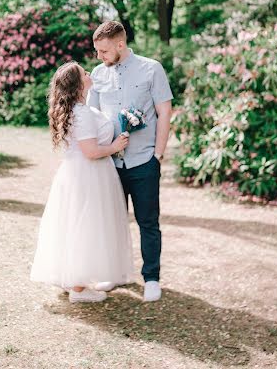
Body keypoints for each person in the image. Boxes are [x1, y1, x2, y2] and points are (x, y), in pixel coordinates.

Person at [30, 61, 134, 303]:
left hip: (76, 174)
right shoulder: (82, 113)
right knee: (85, 227)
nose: (90, 74)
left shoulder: (76, 110)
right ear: (79, 85)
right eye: (85, 73)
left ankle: (73, 280)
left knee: (74, 225)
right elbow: (90, 151)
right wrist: (115, 146)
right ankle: (78, 289)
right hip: (88, 175)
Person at [88, 21, 173, 302]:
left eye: (103, 50)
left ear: (120, 44)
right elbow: (91, 115)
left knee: (148, 222)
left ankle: (151, 278)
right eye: (97, 51)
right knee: (111, 221)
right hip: (109, 164)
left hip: (143, 161)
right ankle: (113, 273)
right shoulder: (98, 74)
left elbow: (164, 112)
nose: (99, 56)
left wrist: (157, 156)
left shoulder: (152, 68)